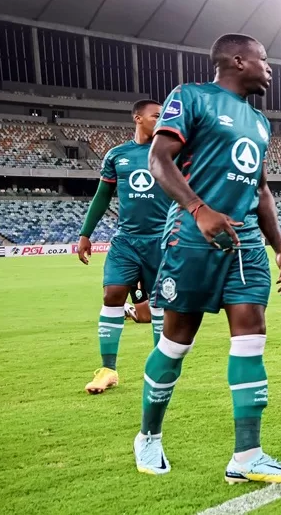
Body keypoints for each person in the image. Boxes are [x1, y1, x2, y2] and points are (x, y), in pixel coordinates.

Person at [134, 34, 281, 484]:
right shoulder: (191, 97)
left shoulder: (261, 122)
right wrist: (198, 209)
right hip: (193, 236)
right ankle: (148, 435)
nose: (270, 69)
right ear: (238, 60)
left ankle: (247, 455)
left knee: (251, 337)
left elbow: (261, 189)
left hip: (244, 241)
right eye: (264, 60)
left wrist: (280, 247)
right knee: (176, 343)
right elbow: (159, 158)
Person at [78, 100, 172, 394]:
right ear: (138, 118)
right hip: (126, 240)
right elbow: (102, 195)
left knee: (158, 306)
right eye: (156, 115)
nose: (161, 119)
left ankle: (161, 367)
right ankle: (107, 370)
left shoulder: (171, 152)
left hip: (161, 240)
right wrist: (85, 234)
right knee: (112, 294)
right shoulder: (117, 155)